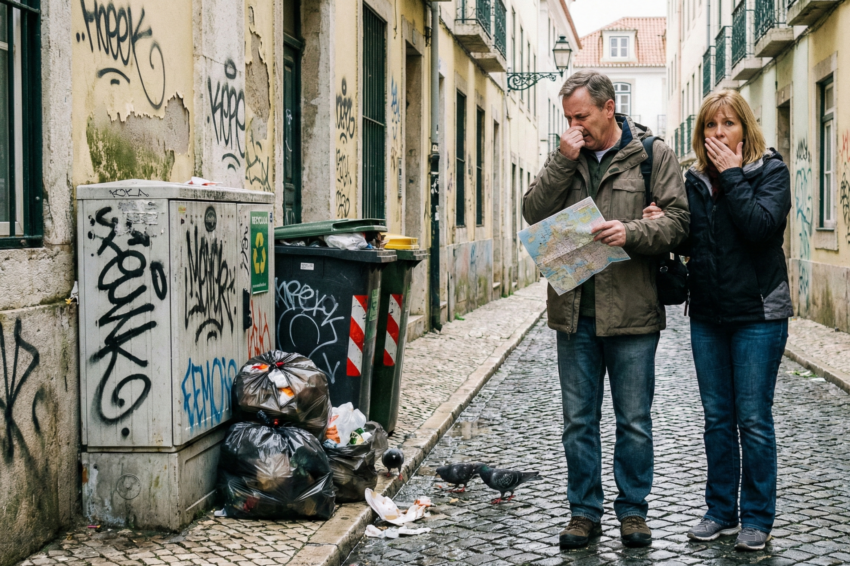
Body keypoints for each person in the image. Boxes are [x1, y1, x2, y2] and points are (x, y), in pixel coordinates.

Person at [523, 70, 689, 549]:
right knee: (578, 420)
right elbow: (533, 212)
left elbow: (679, 222)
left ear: (609, 108)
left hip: (633, 313)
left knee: (634, 421)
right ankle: (583, 512)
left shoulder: (652, 155)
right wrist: (562, 159)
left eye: (582, 116)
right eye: (568, 117)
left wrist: (632, 232)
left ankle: (633, 512)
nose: (575, 125)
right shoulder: (566, 158)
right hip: (573, 311)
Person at [656, 90, 789, 551]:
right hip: (709, 314)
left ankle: (757, 517)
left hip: (758, 313)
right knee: (717, 418)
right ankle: (720, 512)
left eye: (728, 124)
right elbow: (693, 240)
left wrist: (732, 174)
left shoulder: (771, 172)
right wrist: (664, 222)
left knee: (752, 419)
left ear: (745, 128)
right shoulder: (694, 182)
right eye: (711, 126)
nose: (719, 133)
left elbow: (759, 228)